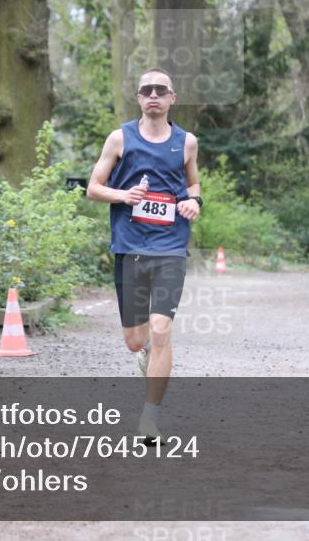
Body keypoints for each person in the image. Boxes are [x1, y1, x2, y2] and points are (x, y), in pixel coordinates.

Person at [86, 67, 202, 441]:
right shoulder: (120, 138)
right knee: (136, 341)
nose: (153, 95)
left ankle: (149, 419)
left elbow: (193, 184)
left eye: (160, 90)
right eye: (146, 90)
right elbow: (93, 188)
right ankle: (147, 353)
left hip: (170, 248)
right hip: (130, 248)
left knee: (161, 329)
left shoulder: (187, 142)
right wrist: (124, 195)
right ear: (138, 97)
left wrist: (195, 201)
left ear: (172, 98)